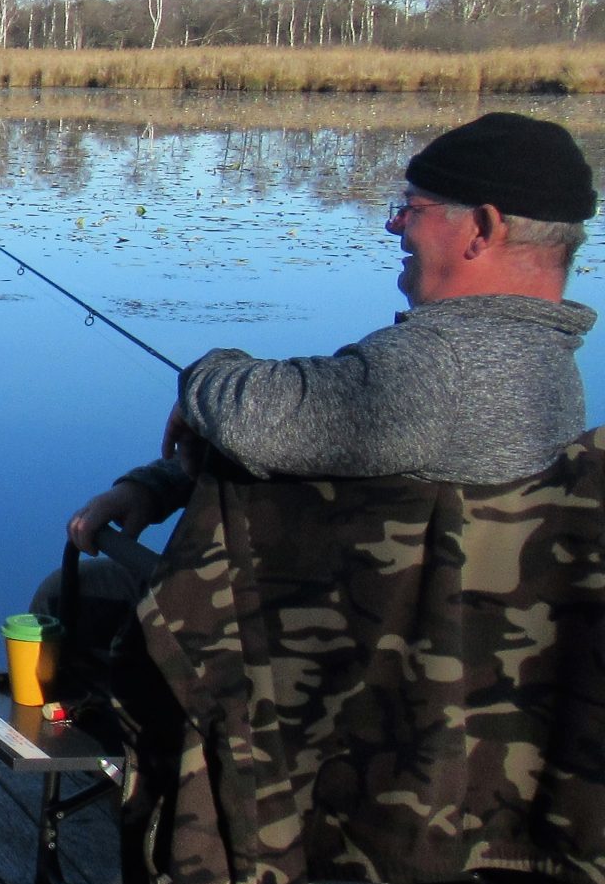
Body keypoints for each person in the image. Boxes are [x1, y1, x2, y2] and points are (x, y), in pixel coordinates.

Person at [56, 109, 597, 612]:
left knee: (72, 597)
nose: (395, 225)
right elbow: (322, 440)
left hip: (314, 651)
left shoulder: (440, 367)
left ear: (482, 229)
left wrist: (203, 379)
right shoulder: (546, 366)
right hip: (416, 630)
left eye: (413, 208)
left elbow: (254, 417)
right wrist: (154, 487)